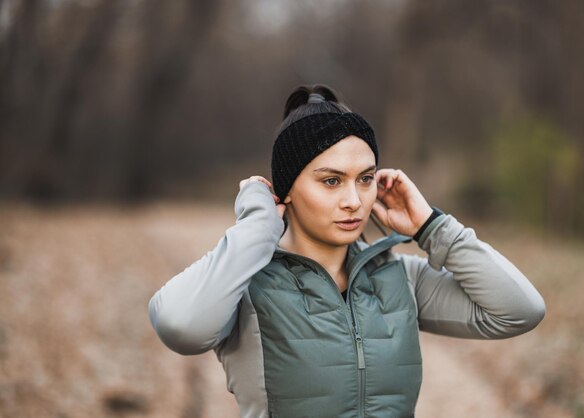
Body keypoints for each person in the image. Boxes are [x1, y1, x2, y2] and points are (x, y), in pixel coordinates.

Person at [148, 84, 546, 418]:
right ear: (285, 188)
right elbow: (179, 324)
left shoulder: (400, 277)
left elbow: (520, 310)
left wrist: (431, 227)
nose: (354, 200)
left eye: (366, 178)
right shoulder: (246, 287)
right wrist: (258, 225)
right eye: (332, 181)